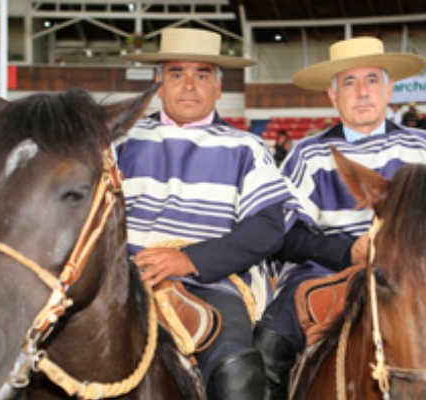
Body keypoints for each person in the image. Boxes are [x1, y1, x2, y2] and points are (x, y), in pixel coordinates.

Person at [256, 36, 426, 400]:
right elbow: (286, 237)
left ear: (389, 89)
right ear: (333, 95)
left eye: (372, 80)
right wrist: (348, 253)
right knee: (269, 346)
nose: (362, 92)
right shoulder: (308, 154)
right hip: (322, 275)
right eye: (349, 83)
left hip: (413, 277)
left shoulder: (423, 146)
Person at [118, 27, 295, 400]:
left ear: (218, 87)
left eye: (202, 74)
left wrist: (189, 259)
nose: (189, 85)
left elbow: (267, 229)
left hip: (210, 283)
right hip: (124, 277)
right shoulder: (122, 141)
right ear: (158, 83)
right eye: (176, 73)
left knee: (236, 366)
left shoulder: (246, 146)